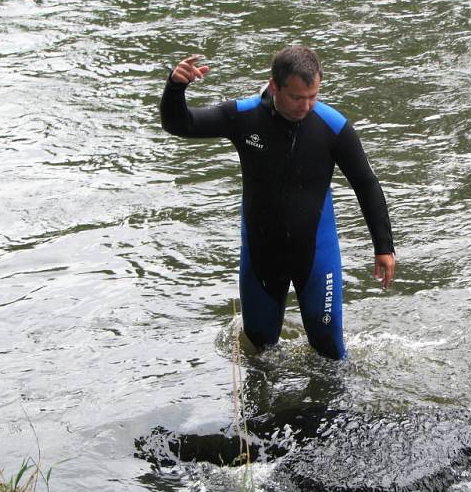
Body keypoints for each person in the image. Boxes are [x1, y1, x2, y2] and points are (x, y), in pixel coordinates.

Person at [160, 47, 396, 360]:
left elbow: (366, 184)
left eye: (313, 96)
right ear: (275, 86)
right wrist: (176, 88)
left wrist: (383, 247)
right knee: (259, 352)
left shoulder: (333, 126)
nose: (307, 105)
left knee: (330, 354)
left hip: (316, 256)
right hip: (261, 257)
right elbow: (180, 125)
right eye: (298, 97)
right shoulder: (243, 117)